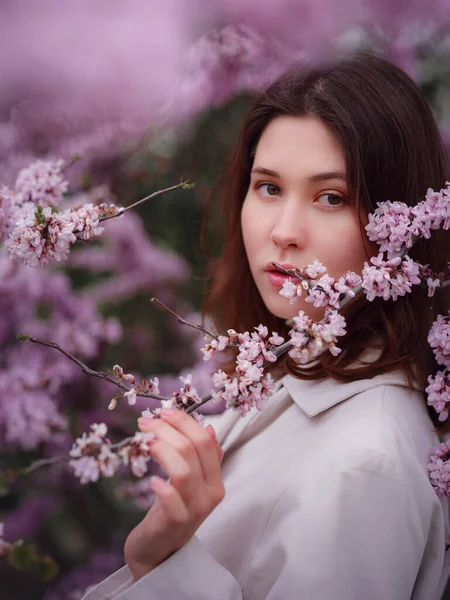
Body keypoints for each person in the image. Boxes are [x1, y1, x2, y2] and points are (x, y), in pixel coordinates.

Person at [83, 52, 450, 599]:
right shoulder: (289, 371)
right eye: (269, 187)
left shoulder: (366, 463)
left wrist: (162, 558)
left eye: (332, 197)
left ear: (400, 227)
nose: (284, 231)